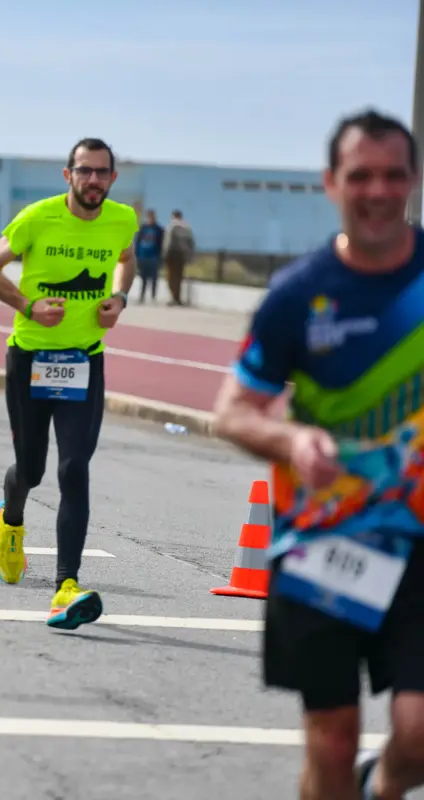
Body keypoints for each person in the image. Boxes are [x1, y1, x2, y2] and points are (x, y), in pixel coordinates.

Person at [214, 109, 424, 800]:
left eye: (394, 174)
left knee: (419, 732)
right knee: (331, 744)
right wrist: (293, 439)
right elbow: (232, 411)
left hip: (418, 540)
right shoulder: (298, 296)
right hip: (323, 542)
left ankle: (381, 789)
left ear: (414, 181)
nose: (378, 190)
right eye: (361, 175)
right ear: (332, 183)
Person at [0, 137, 138, 630]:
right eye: (85, 171)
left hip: (85, 361)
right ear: (68, 175)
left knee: (75, 468)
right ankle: (12, 521)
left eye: (102, 173)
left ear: (112, 178)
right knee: (31, 470)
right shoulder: (36, 218)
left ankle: (66, 585)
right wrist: (28, 307)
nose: (94, 181)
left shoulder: (122, 219)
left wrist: (120, 297)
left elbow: (127, 259)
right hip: (30, 360)